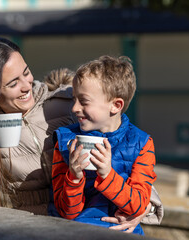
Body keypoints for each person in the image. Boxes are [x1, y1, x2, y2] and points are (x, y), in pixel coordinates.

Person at [0, 36, 163, 230]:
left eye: (26, 72)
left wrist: (141, 209)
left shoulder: (68, 103)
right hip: (24, 228)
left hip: (79, 224)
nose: (27, 85)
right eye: (13, 83)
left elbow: (128, 156)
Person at [50, 55, 157, 235]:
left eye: (83, 101)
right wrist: (74, 177)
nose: (75, 108)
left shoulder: (142, 143)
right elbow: (66, 212)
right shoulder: (64, 140)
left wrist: (107, 175)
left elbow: (138, 205)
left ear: (115, 105)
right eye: (74, 99)